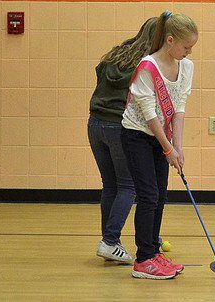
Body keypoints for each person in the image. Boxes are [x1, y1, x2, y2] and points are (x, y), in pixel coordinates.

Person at [121, 11, 197, 280]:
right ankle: (143, 260)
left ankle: (153, 253)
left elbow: (179, 108)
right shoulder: (147, 67)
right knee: (148, 196)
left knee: (160, 196)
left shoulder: (186, 67)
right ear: (169, 40)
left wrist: (178, 147)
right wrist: (168, 149)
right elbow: (150, 113)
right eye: (185, 47)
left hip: (161, 137)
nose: (188, 52)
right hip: (137, 135)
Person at [89, 17, 158, 264]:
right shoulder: (146, 63)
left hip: (95, 123)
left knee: (110, 184)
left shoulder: (116, 54)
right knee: (128, 186)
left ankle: (111, 242)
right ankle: (109, 240)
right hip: (119, 126)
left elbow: (99, 78)